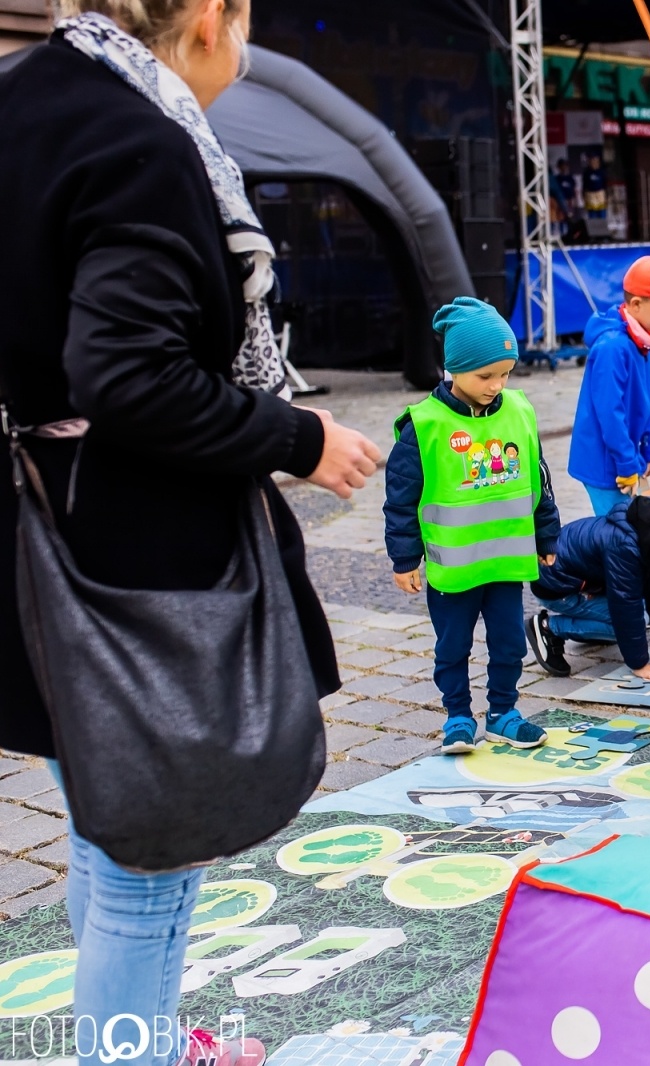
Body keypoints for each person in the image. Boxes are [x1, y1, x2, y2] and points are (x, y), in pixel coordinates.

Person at [0, 3, 380, 1061]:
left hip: (44, 530)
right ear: (211, 18)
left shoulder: (26, 98)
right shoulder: (139, 139)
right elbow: (128, 374)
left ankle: (147, 1041)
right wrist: (297, 436)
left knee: (102, 823)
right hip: (133, 560)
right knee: (149, 863)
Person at [385, 299, 559, 754]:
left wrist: (547, 534)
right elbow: (400, 499)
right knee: (453, 647)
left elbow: (538, 478)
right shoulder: (423, 425)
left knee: (508, 644)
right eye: (485, 375)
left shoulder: (519, 411)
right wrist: (404, 557)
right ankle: (458, 716)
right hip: (453, 571)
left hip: (506, 563)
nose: (497, 385)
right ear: (453, 368)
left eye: (505, 373)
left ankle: (504, 713)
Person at [527, 497, 650, 680]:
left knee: (640, 611)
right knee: (632, 620)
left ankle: (590, 625)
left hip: (585, 579)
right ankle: (549, 627)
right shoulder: (625, 545)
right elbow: (625, 608)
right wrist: (639, 664)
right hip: (556, 586)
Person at [569, 255, 650, 516]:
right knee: (618, 538)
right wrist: (627, 464)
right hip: (606, 463)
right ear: (636, 304)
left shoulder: (644, 340)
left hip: (625, 458)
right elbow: (610, 413)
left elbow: (647, 401)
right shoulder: (613, 347)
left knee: (625, 532)